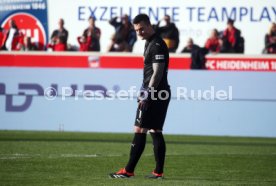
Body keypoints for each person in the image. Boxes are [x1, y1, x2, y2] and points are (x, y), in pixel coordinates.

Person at [109, 14, 171, 179]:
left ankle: (128, 171)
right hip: (158, 92)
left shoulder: (157, 44)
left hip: (156, 93)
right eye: (137, 30)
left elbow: (157, 73)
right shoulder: (150, 42)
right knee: (155, 130)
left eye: (142, 28)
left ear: (150, 25)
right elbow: (152, 73)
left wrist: (147, 95)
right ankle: (158, 172)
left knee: (140, 128)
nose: (140, 32)